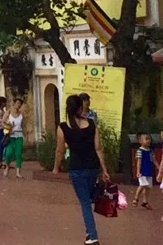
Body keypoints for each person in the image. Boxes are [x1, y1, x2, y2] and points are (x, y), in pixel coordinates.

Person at [54, 94, 110, 245]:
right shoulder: (91, 124)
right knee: (89, 197)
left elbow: (59, 151)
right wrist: (104, 169)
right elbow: (98, 148)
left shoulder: (63, 127)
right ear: (81, 107)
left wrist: (56, 167)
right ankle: (89, 233)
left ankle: (93, 236)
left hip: (77, 168)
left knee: (85, 203)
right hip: (93, 167)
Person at [133, 132, 158, 211]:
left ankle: (145, 201)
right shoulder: (140, 151)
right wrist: (138, 171)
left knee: (148, 187)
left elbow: (154, 160)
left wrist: (158, 167)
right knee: (142, 184)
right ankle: (136, 198)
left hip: (149, 171)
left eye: (149, 139)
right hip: (142, 171)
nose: (148, 141)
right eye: (146, 139)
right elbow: (139, 162)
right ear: (140, 141)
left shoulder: (151, 151)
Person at [2, 98, 24, 179]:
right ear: (14, 103)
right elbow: (3, 122)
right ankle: (7, 165)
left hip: (19, 135)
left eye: (20, 104)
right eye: (17, 103)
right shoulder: (8, 112)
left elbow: (23, 125)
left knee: (18, 153)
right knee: (9, 153)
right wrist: (8, 127)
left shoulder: (21, 115)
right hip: (10, 135)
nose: (19, 105)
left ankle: (18, 172)